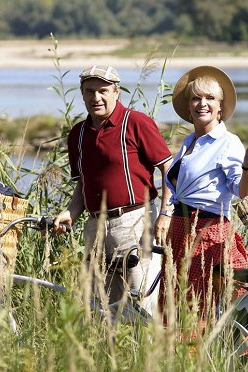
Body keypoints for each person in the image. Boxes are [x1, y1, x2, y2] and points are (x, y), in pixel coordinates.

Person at [53, 65, 173, 315]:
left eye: (103, 91)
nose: (96, 97)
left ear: (116, 91)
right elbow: (82, 183)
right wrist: (70, 213)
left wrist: (165, 214)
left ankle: (152, 352)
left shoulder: (136, 123)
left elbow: (169, 170)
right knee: (100, 306)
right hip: (95, 226)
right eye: (89, 91)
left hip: (135, 221)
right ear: (82, 94)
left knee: (142, 304)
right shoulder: (78, 134)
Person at [158, 65, 248, 322]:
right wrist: (164, 214)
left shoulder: (227, 142)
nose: (202, 104)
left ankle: (203, 357)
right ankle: (180, 358)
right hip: (180, 231)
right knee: (175, 304)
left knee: (194, 306)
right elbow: (174, 187)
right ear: (188, 107)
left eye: (210, 98)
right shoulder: (189, 141)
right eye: (196, 98)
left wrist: (247, 167)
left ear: (221, 107)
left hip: (206, 230)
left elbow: (242, 192)